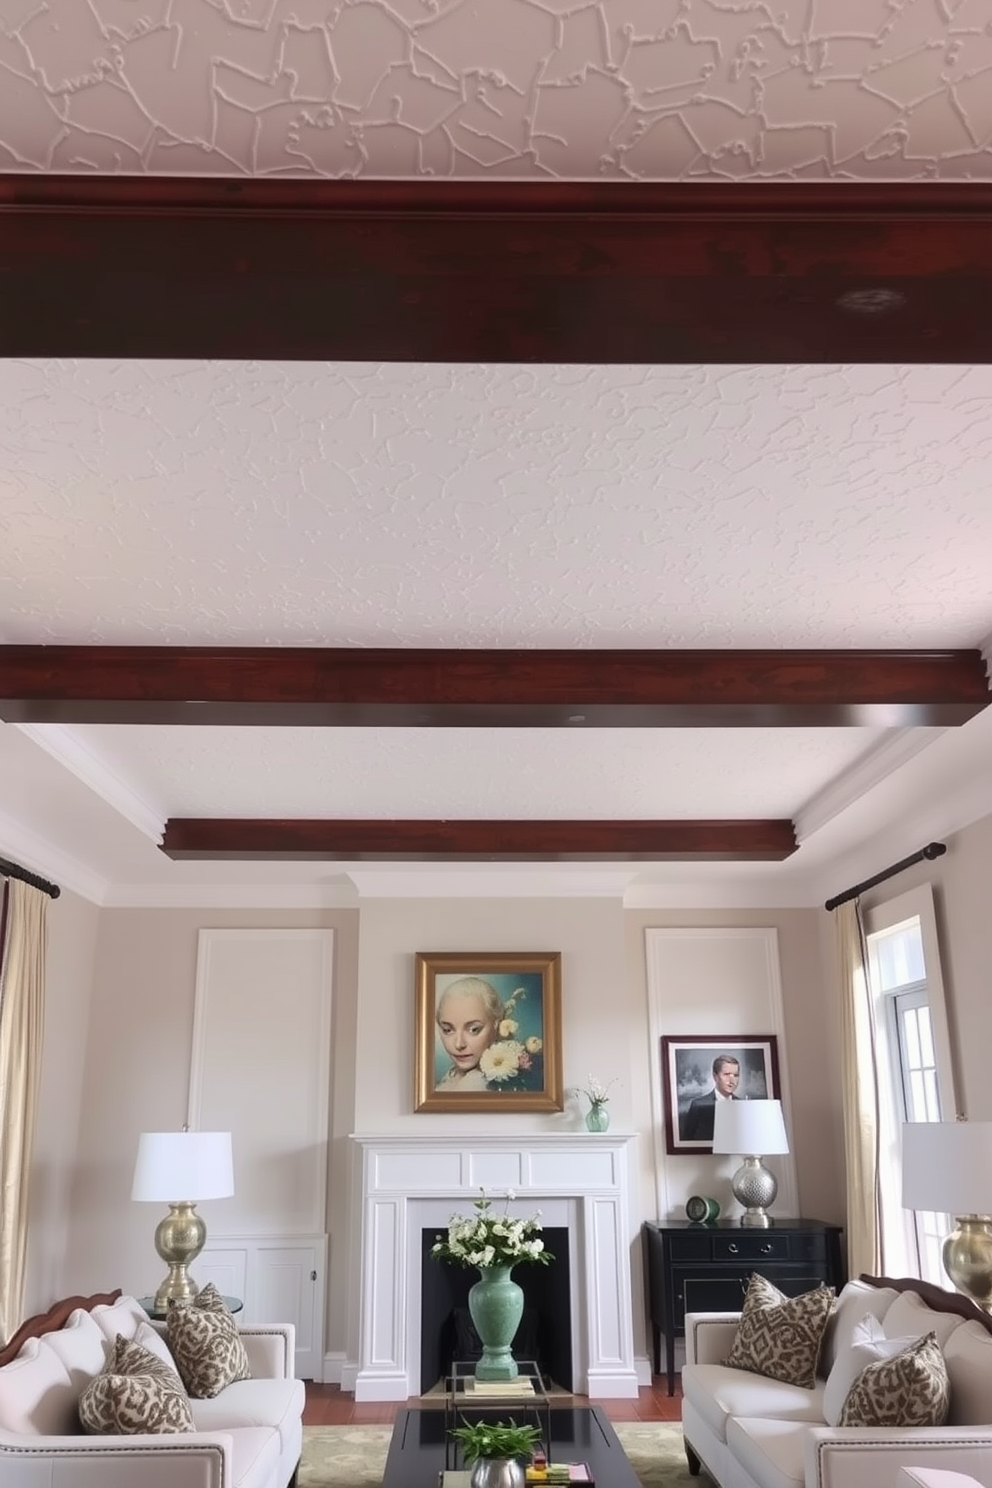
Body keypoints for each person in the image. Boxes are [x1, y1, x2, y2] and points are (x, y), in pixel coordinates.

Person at [434, 976, 503, 1091]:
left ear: (496, 1026)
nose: (459, 1044)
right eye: (448, 1030)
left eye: (473, 1029)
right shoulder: (453, 1076)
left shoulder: (476, 1084)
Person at [681, 1054, 740, 1141]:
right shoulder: (699, 1105)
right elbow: (687, 1140)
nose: (732, 1080)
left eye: (735, 1075)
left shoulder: (743, 1105)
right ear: (715, 1076)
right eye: (726, 1074)